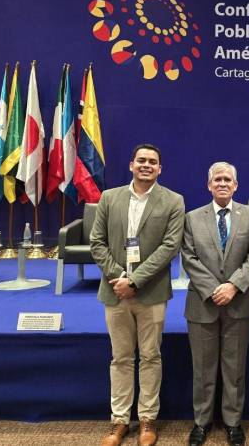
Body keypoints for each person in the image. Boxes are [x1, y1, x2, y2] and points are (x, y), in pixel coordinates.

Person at [90, 144, 185, 446]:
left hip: (151, 293)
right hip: (115, 291)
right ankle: (119, 421)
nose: (146, 165)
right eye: (141, 160)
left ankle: (147, 419)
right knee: (120, 358)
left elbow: (170, 247)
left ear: (160, 169)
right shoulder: (109, 198)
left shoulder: (173, 201)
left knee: (150, 356)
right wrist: (120, 277)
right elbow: (97, 242)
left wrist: (136, 280)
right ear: (131, 165)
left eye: (153, 162)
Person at [181, 162, 249, 446]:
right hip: (202, 303)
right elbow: (188, 258)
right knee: (202, 368)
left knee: (234, 367)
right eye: (217, 179)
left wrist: (233, 286)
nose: (223, 183)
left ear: (236, 185)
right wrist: (214, 288)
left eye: (228, 179)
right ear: (209, 185)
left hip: (239, 302)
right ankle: (201, 423)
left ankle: (232, 422)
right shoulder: (192, 218)